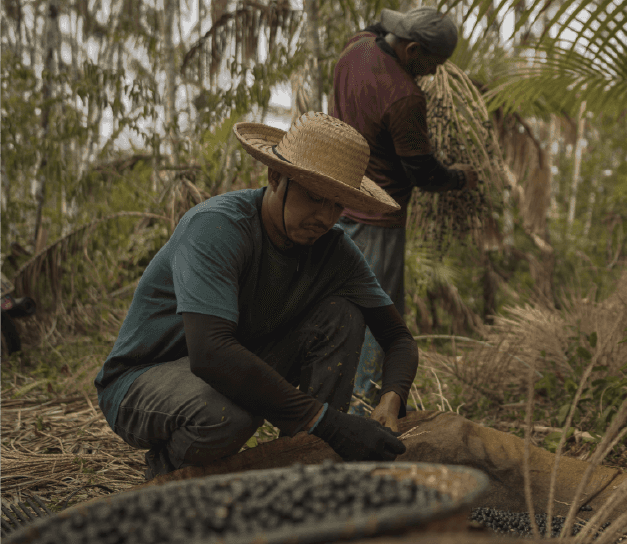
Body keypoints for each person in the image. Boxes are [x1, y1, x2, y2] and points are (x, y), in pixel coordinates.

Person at [94, 112, 417, 480]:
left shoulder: (335, 251)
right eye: (314, 197)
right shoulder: (218, 227)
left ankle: (307, 466)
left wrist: (391, 399)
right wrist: (328, 423)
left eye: (337, 205)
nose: (325, 217)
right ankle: (168, 474)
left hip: (235, 366)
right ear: (275, 177)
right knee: (226, 414)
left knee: (342, 314)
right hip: (142, 381)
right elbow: (210, 354)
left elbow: (398, 337)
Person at [329, 6, 478, 414]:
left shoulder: (355, 49)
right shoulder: (405, 96)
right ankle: (364, 407)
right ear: (412, 50)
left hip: (336, 203)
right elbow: (423, 172)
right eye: (434, 63)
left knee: (339, 309)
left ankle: (331, 399)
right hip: (378, 219)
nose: (434, 73)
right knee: (379, 318)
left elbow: (375, 25)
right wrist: (460, 178)